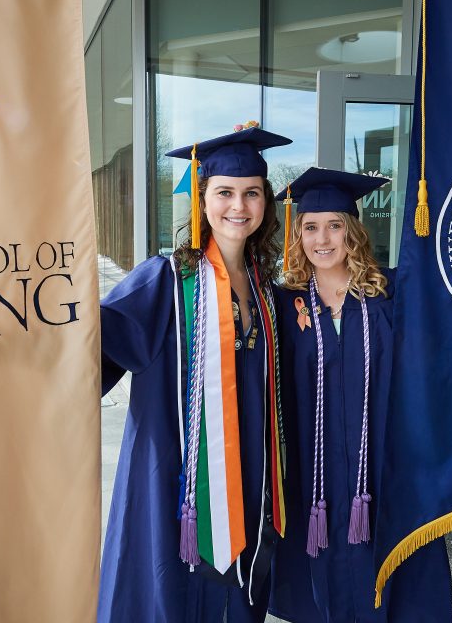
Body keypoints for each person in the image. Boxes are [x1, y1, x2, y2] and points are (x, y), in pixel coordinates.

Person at [98, 124, 292, 623]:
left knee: (239, 595)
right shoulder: (165, 280)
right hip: (174, 474)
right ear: (201, 200)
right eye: (224, 192)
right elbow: (97, 341)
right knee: (172, 592)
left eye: (252, 193)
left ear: (265, 203)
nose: (238, 206)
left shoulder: (269, 291)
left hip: (249, 473)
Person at [269, 168, 452, 623]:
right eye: (310, 227)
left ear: (353, 231)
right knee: (325, 575)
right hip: (317, 474)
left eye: (334, 225)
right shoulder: (284, 300)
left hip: (387, 463)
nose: (323, 239)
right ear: (299, 234)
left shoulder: (391, 293)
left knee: (403, 583)